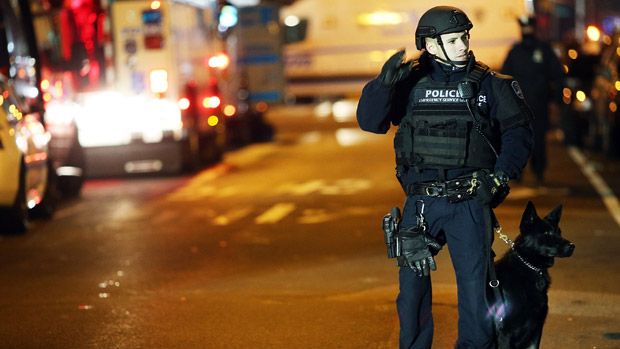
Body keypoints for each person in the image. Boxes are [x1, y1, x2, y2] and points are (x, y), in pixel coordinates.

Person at [356, 6, 534, 349]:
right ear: (431, 45)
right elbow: (371, 122)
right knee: (411, 295)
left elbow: (519, 133)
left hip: (469, 201)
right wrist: (382, 85)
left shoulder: (490, 85)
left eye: (465, 36)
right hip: (421, 204)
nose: (463, 44)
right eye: (453, 39)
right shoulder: (409, 85)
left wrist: (499, 178)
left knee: (474, 292)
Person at [501, 16, 565, 185]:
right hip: (519, 106)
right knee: (517, 139)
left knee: (538, 141)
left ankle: (539, 172)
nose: (527, 31)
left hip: (538, 104)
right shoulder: (515, 51)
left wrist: (556, 100)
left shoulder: (544, 50)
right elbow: (504, 78)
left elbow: (557, 75)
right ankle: (518, 172)